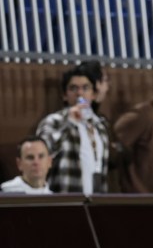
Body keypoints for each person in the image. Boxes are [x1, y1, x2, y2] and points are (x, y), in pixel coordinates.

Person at [35, 64, 110, 194]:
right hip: (65, 198)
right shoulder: (54, 121)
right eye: (73, 88)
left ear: (93, 94)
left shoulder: (100, 126)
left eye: (85, 88)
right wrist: (69, 122)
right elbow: (42, 154)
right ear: (65, 95)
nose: (79, 93)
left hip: (95, 199)